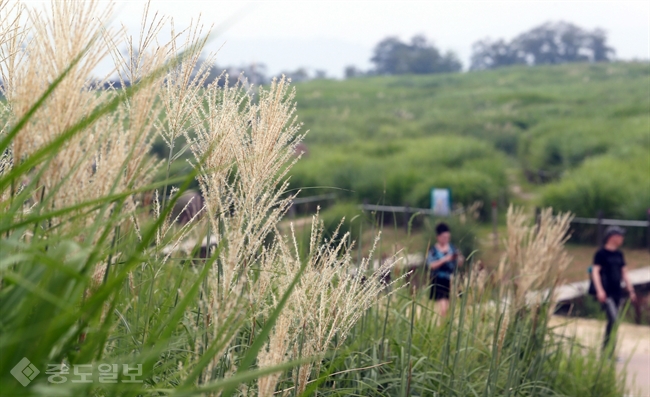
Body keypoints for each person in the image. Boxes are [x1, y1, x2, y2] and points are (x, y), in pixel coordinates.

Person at [590, 225, 637, 356]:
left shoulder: (619, 254)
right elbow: (595, 272)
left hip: (617, 292)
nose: (622, 238)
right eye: (620, 236)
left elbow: (624, 273)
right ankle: (607, 351)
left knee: (614, 322)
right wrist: (599, 290)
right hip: (606, 292)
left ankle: (609, 351)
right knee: (613, 319)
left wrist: (630, 290)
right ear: (612, 237)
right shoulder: (601, 254)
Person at [427, 222, 464, 317]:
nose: (446, 239)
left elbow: (460, 263)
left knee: (452, 309)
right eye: (443, 237)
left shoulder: (453, 248)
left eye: (447, 237)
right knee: (443, 309)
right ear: (438, 237)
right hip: (439, 281)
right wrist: (445, 259)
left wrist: (458, 258)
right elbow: (431, 265)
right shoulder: (433, 251)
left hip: (452, 281)